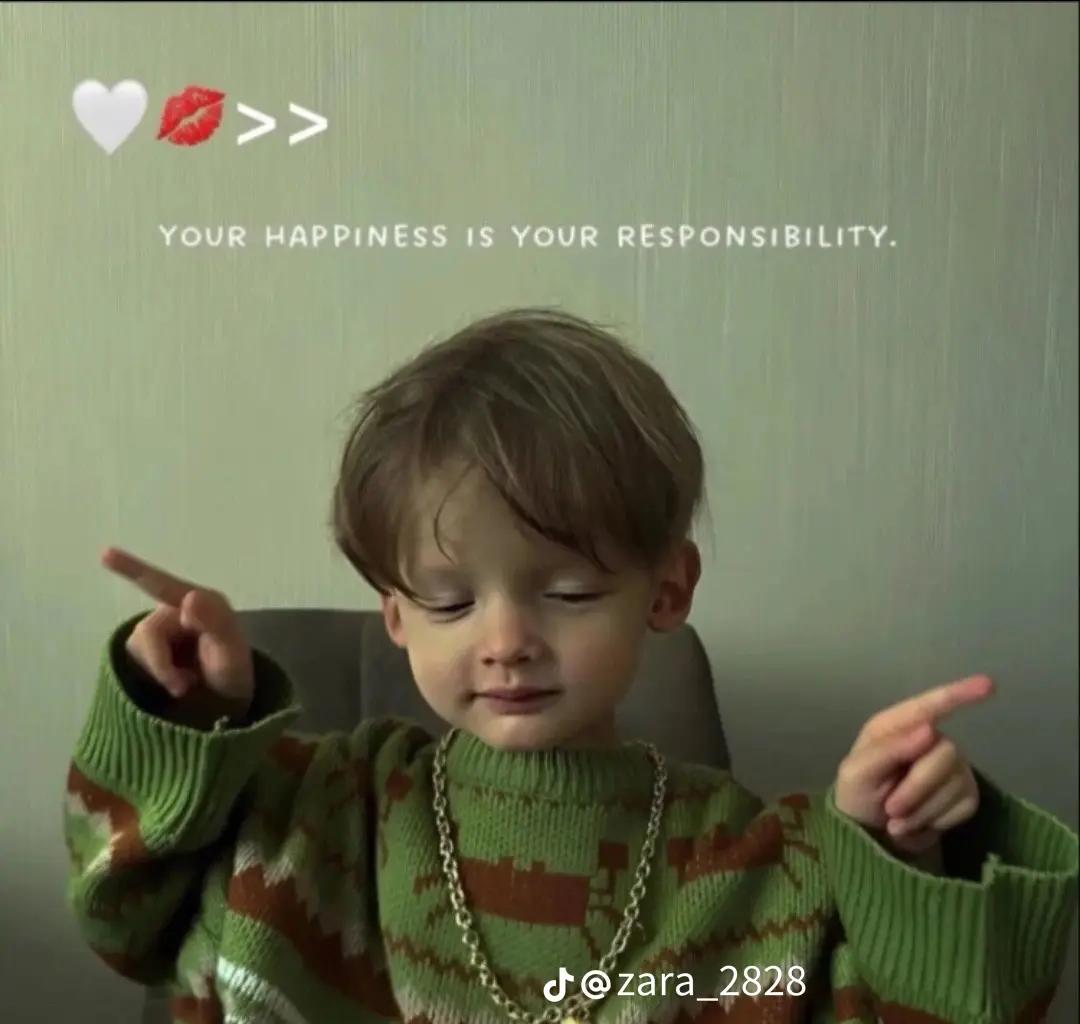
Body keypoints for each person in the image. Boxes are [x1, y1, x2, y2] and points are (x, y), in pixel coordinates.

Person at [64, 307, 1078, 1024]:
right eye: (451, 602)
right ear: (396, 617)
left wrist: (896, 852)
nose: (505, 640)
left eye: (570, 592)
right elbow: (124, 922)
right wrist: (184, 718)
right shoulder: (319, 815)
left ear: (667, 590)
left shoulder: (756, 866)